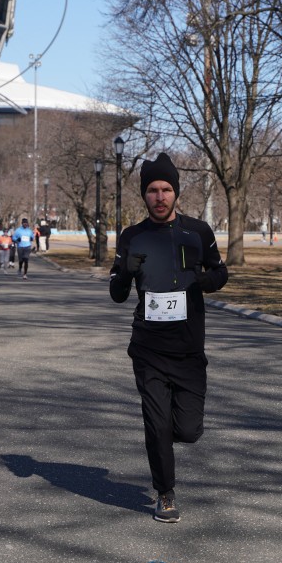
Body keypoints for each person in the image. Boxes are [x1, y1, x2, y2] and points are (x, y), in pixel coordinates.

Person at [109, 153, 228, 523]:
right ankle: (165, 494)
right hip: (148, 348)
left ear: (176, 193)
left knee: (188, 431)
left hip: (189, 348)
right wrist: (125, 273)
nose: (159, 197)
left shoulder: (198, 232)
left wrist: (208, 280)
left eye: (166, 189)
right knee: (157, 424)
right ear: (144, 195)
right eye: (152, 190)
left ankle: (165, 439)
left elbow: (221, 271)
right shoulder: (132, 236)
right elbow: (116, 293)